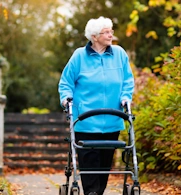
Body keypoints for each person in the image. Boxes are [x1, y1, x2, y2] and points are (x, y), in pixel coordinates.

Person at [58, 16, 135, 195]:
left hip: (112, 119)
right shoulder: (79, 56)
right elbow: (66, 82)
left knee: (104, 162)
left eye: (111, 31)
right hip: (85, 120)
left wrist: (125, 97)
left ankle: (97, 192)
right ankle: (92, 192)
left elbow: (127, 81)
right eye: (106, 32)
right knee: (89, 161)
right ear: (94, 36)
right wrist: (66, 98)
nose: (110, 35)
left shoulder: (120, 54)